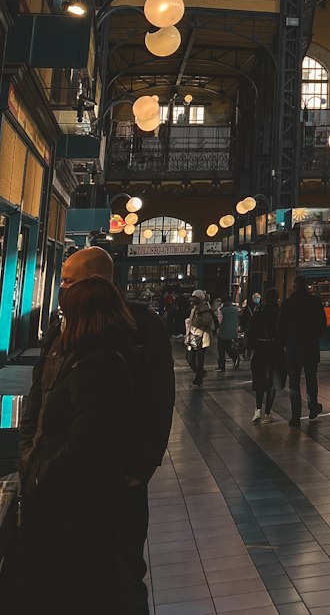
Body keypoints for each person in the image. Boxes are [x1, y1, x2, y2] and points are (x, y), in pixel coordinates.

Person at [13, 245, 174, 615]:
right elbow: (39, 394)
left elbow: (159, 398)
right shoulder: (59, 331)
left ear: (95, 283)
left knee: (122, 571)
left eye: (68, 281)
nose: (61, 290)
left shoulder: (139, 328)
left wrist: (139, 469)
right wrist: (30, 453)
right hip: (64, 483)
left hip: (114, 480)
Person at [3, 276, 139, 614]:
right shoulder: (86, 357)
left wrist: (41, 474)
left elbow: (86, 439)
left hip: (74, 505)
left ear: (84, 317)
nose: (61, 322)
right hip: (74, 501)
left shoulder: (97, 364)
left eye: (66, 315)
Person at [278, 274, 327, 427]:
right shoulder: (315, 302)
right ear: (306, 286)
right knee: (311, 379)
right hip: (311, 347)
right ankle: (313, 407)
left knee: (294, 383)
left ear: (294, 286)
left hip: (293, 348)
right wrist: (316, 336)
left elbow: (280, 326)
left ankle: (295, 416)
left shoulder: (287, 304)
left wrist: (285, 342)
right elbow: (322, 322)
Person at [248, 287, 285, 424]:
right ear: (276, 298)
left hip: (260, 349)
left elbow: (250, 332)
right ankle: (267, 413)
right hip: (275, 349)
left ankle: (258, 409)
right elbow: (283, 332)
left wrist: (254, 346)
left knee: (259, 380)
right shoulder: (279, 312)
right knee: (273, 382)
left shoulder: (259, 312)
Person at [186, 289, 215, 386]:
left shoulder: (204, 309)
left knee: (200, 358)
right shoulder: (194, 308)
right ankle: (200, 373)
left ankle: (198, 379)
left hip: (202, 337)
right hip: (193, 336)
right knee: (190, 358)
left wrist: (197, 319)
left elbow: (207, 321)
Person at [216, 295, 241, 371]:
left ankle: (222, 366)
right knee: (228, 347)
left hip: (223, 332)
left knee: (221, 349)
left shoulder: (222, 310)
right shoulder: (235, 309)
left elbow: (219, 321)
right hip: (232, 332)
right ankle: (235, 357)